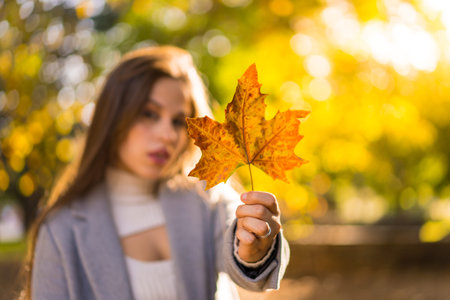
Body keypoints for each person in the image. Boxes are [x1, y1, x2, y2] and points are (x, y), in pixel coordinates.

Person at [22, 46, 290, 300]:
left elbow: (243, 251)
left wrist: (254, 249)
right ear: (113, 116)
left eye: (178, 121)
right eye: (149, 114)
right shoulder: (61, 230)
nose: (168, 135)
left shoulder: (207, 196)